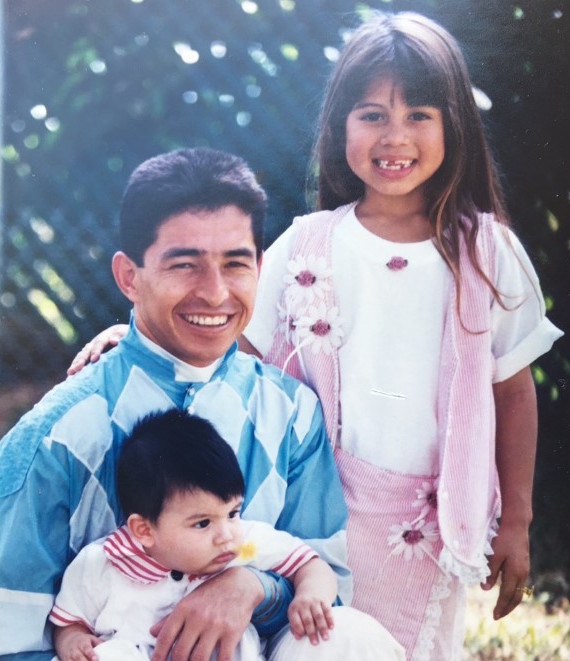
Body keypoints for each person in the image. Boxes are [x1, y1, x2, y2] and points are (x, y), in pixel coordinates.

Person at [71, 12, 564, 660]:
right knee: (317, 642)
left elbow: (512, 391)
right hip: (313, 509)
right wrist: (134, 341)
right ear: (340, 127)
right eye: (372, 115)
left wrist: (519, 521)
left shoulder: (484, 253)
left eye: (419, 115)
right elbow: (226, 346)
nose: (396, 136)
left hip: (428, 525)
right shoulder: (308, 245)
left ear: (454, 127)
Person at [0, 147, 404, 661]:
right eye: (184, 264)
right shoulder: (60, 433)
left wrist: (250, 588)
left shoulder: (292, 412)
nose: (215, 294)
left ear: (259, 267)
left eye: (235, 264)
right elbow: (10, 632)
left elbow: (325, 582)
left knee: (349, 639)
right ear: (129, 277)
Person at [50, 409, 340, 661]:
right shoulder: (106, 563)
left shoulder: (245, 548)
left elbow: (309, 565)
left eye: (232, 513)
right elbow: (69, 621)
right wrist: (73, 641)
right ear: (144, 530)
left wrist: (311, 595)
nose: (225, 535)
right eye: (202, 523)